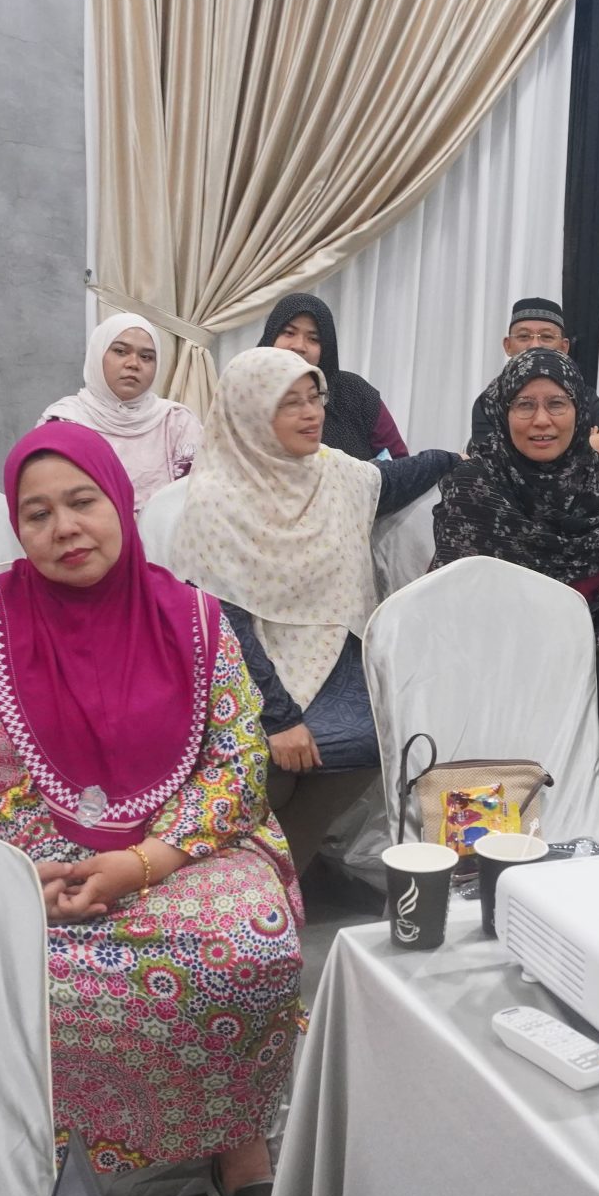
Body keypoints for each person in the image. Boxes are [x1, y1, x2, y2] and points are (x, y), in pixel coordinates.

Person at [0, 421, 302, 1196]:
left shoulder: (193, 618)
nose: (64, 528)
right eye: (37, 514)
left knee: (251, 943)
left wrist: (146, 860)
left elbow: (239, 760)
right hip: (20, 856)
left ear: (120, 500)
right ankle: (39, 1172)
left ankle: (239, 1147)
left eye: (82, 501)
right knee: (10, 966)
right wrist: (3, 878)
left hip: (181, 844)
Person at [169, 348, 457, 862]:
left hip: (333, 651)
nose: (311, 414)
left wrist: (452, 458)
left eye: (314, 398)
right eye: (290, 403)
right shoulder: (216, 498)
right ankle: (256, 872)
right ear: (251, 411)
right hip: (248, 667)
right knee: (266, 762)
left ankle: (276, 873)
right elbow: (223, 625)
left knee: (378, 735)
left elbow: (391, 481)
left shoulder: (332, 470)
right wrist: (279, 719)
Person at [437, 350, 599, 835]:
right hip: (489, 659)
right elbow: (458, 593)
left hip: (577, 653)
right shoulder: (474, 483)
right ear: (502, 411)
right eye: (525, 405)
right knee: (495, 727)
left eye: (557, 404)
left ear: (580, 412)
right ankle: (490, 850)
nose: (542, 420)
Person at [43, 313, 201, 507]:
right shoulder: (63, 422)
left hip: (166, 526)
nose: (133, 364)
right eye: (120, 351)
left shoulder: (176, 421)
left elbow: (196, 498)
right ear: (98, 354)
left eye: (146, 357)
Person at [469, 297, 599, 462]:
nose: (535, 345)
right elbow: (492, 460)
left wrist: (531, 446)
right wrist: (575, 443)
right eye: (524, 336)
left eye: (547, 337)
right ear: (508, 345)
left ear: (564, 347)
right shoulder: (490, 401)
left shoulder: (579, 394)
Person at [261, 293, 408, 460]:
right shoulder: (246, 393)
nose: (299, 346)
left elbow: (400, 462)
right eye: (289, 333)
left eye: (313, 338)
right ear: (271, 335)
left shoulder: (356, 393)